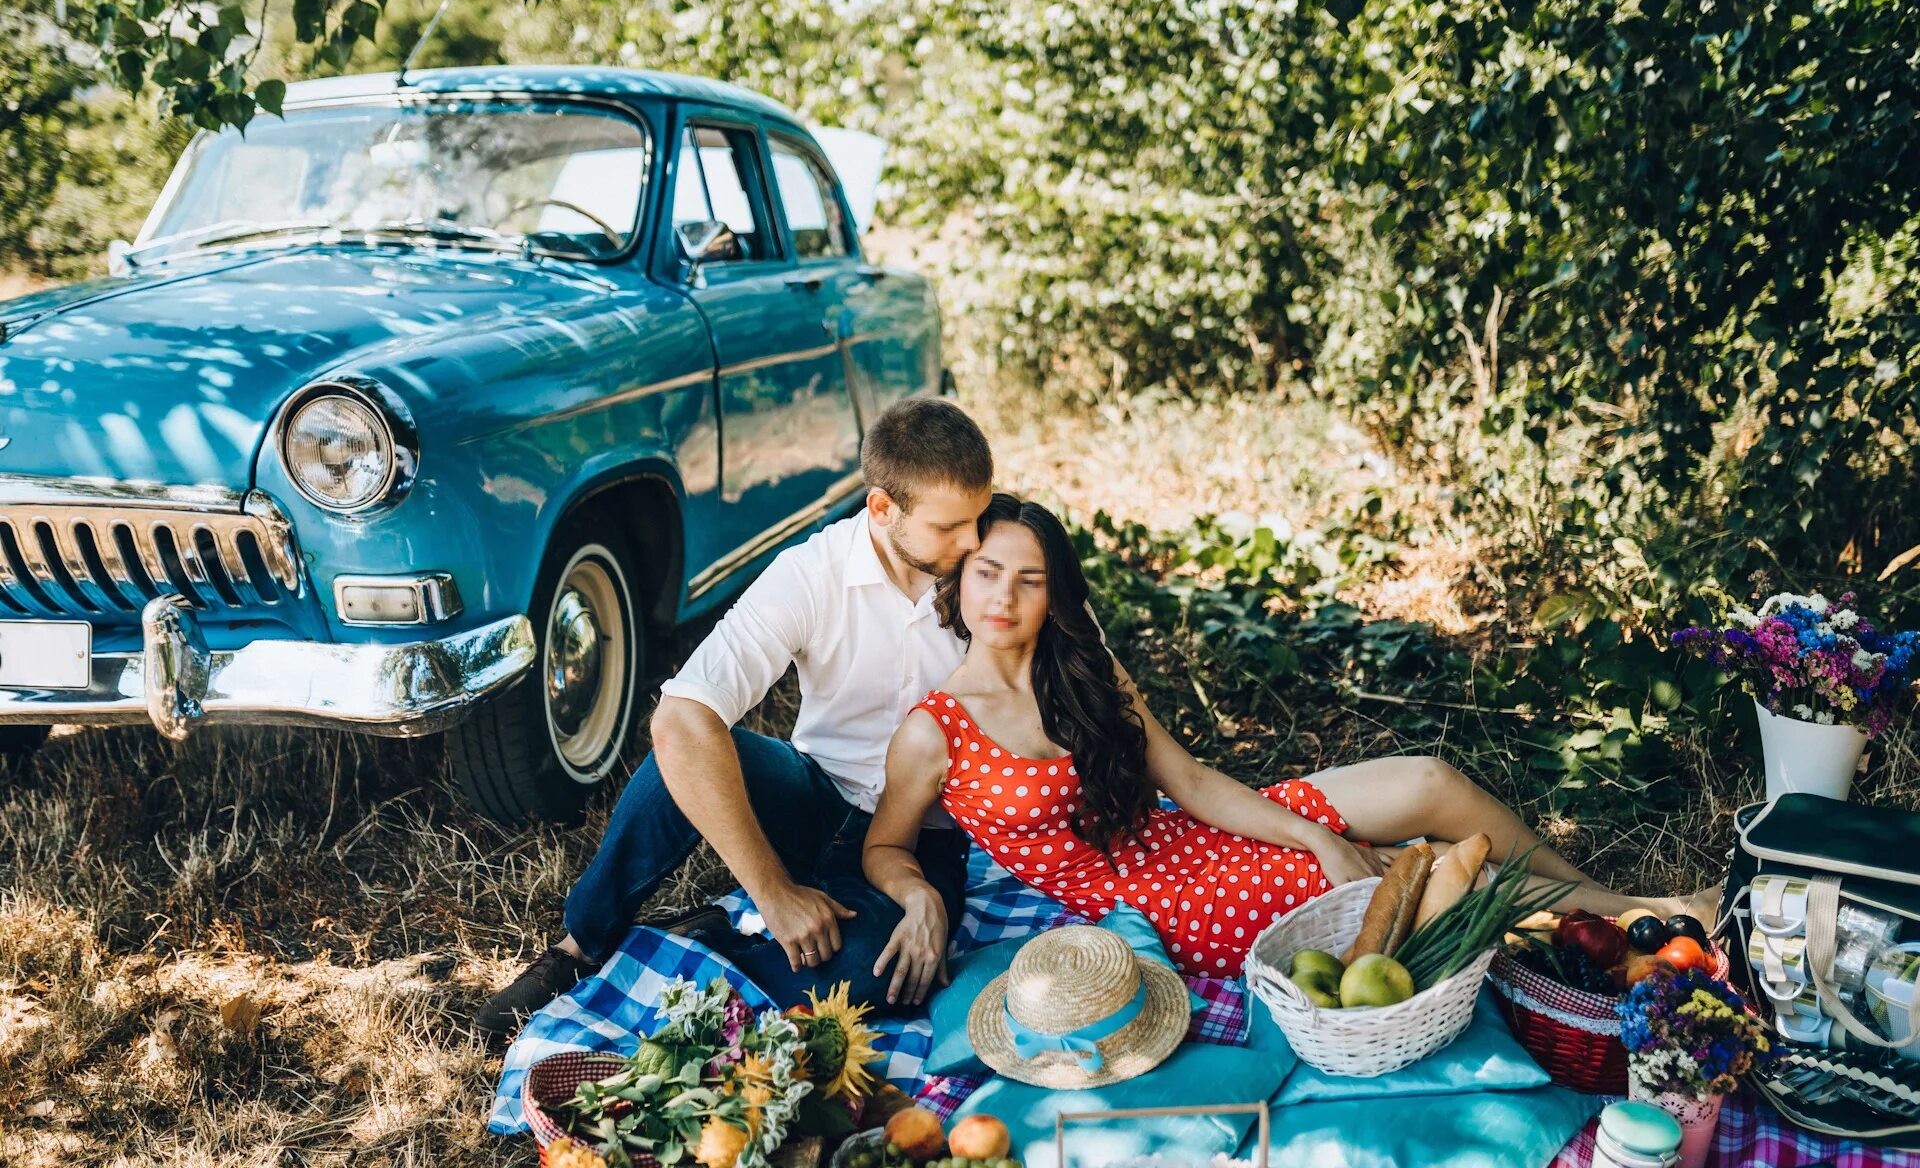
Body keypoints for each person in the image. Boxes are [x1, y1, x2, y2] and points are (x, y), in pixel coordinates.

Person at [862, 493, 1716, 998]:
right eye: (986, 573)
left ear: (1056, 594)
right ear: (959, 580)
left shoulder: (1088, 678)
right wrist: (919, 898)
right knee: (1443, 880)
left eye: (1030, 578)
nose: (1003, 596)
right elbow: (886, 846)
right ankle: (1664, 919)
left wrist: (1308, 828)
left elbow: (1191, 782)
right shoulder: (934, 731)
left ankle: (1621, 897)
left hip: (1190, 833)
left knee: (1428, 779)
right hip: (1174, 903)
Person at [475, 397, 996, 1040]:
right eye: (951, 527)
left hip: (922, 839)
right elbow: (682, 716)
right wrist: (774, 893)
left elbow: (1077, 677)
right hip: (813, 795)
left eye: (978, 518)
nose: (973, 541)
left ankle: (707, 944)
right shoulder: (812, 572)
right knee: (684, 744)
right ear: (883, 510)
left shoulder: (992, 572)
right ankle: (579, 947)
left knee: (874, 980)